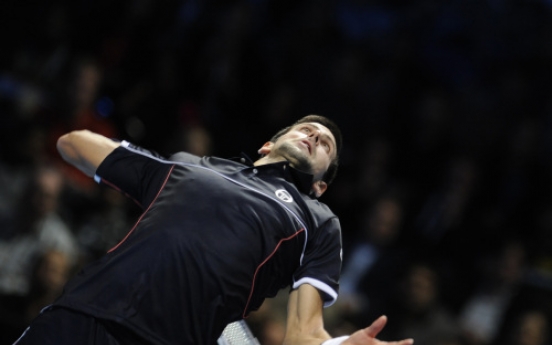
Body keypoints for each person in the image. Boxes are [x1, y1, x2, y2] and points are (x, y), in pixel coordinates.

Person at [14, 115, 414, 345]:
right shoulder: (190, 165)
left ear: (322, 184)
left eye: (325, 144)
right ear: (266, 145)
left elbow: (302, 334)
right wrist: (139, 162)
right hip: (78, 315)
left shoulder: (317, 220)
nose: (314, 135)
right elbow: (71, 144)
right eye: (306, 128)